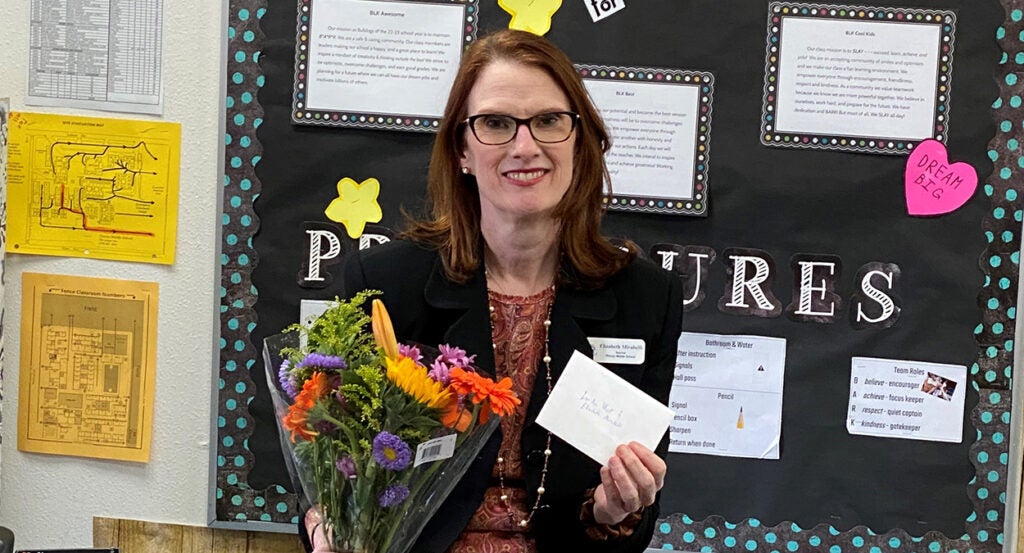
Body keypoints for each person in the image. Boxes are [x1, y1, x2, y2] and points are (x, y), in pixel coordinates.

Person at [301, 29, 683, 553]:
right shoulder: (386, 285)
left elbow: (630, 526)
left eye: (549, 120)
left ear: (579, 139)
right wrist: (327, 527)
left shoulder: (646, 300)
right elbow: (335, 466)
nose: (525, 146)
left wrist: (613, 512)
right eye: (496, 123)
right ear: (461, 149)